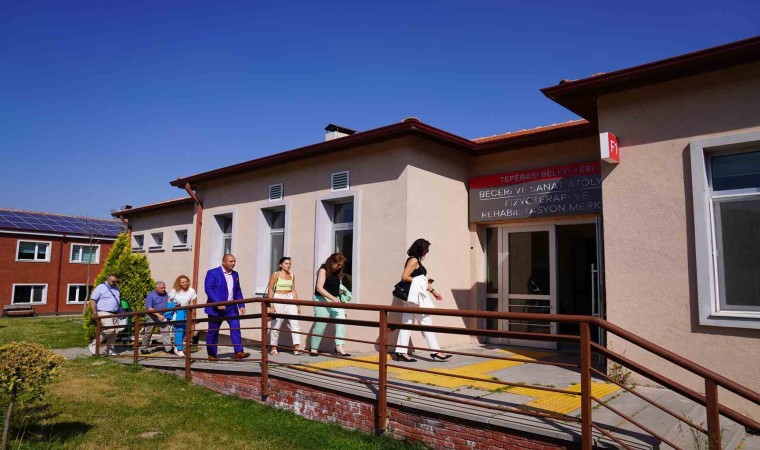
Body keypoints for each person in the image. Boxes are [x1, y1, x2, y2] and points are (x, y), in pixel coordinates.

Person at [393, 239, 452, 362]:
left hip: (413, 298)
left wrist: (433, 292)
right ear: (420, 249)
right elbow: (404, 277)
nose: (427, 251)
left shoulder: (416, 261)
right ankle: (435, 351)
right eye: (426, 249)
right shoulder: (413, 260)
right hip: (415, 299)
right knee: (426, 321)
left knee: (407, 323)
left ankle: (401, 351)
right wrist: (421, 281)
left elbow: (420, 280)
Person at [204, 254, 250, 360]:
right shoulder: (212, 273)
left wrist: (241, 304)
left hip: (231, 307)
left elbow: (237, 290)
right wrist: (217, 303)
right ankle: (211, 354)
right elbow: (208, 289)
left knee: (235, 327)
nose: (233, 263)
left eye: (234, 261)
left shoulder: (235, 274)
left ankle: (238, 352)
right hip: (216, 308)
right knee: (213, 331)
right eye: (231, 261)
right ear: (223, 262)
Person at [309, 253, 351, 357]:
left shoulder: (337, 272)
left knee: (341, 320)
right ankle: (314, 348)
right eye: (338, 264)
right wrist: (333, 298)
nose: (340, 267)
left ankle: (339, 347)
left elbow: (334, 285)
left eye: (341, 265)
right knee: (321, 323)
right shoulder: (323, 270)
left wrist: (339, 291)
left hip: (335, 299)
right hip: (321, 299)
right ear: (332, 262)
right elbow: (319, 288)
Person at [267, 257, 302, 355]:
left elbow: (293, 290)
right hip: (278, 297)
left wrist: (297, 304)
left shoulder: (292, 275)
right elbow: (270, 289)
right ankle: (273, 347)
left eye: (289, 263)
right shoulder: (276, 274)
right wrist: (272, 306)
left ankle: (296, 347)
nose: (288, 265)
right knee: (276, 324)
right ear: (280, 265)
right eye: (286, 263)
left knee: (295, 323)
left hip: (289, 297)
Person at [88, 274, 123, 356]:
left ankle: (109, 350)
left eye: (116, 282)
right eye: (113, 281)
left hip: (115, 313)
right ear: (108, 280)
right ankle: (94, 344)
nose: (115, 283)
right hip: (103, 312)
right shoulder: (101, 287)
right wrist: (94, 313)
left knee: (115, 331)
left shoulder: (116, 288)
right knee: (110, 329)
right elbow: (93, 300)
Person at [168, 275, 197, 357]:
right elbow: (169, 301)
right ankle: (179, 349)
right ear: (179, 283)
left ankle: (177, 345)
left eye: (186, 282)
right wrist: (173, 305)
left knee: (185, 330)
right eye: (182, 282)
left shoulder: (191, 291)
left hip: (187, 311)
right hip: (178, 311)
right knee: (179, 329)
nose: (185, 283)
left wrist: (192, 314)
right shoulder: (175, 290)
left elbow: (192, 302)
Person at [141, 281, 173, 355]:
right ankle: (144, 348)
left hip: (162, 316)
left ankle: (169, 348)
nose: (164, 289)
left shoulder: (165, 294)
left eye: (164, 287)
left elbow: (167, 302)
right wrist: (158, 315)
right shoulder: (150, 295)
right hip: (152, 316)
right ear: (156, 288)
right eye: (162, 288)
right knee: (148, 333)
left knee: (165, 331)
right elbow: (149, 308)